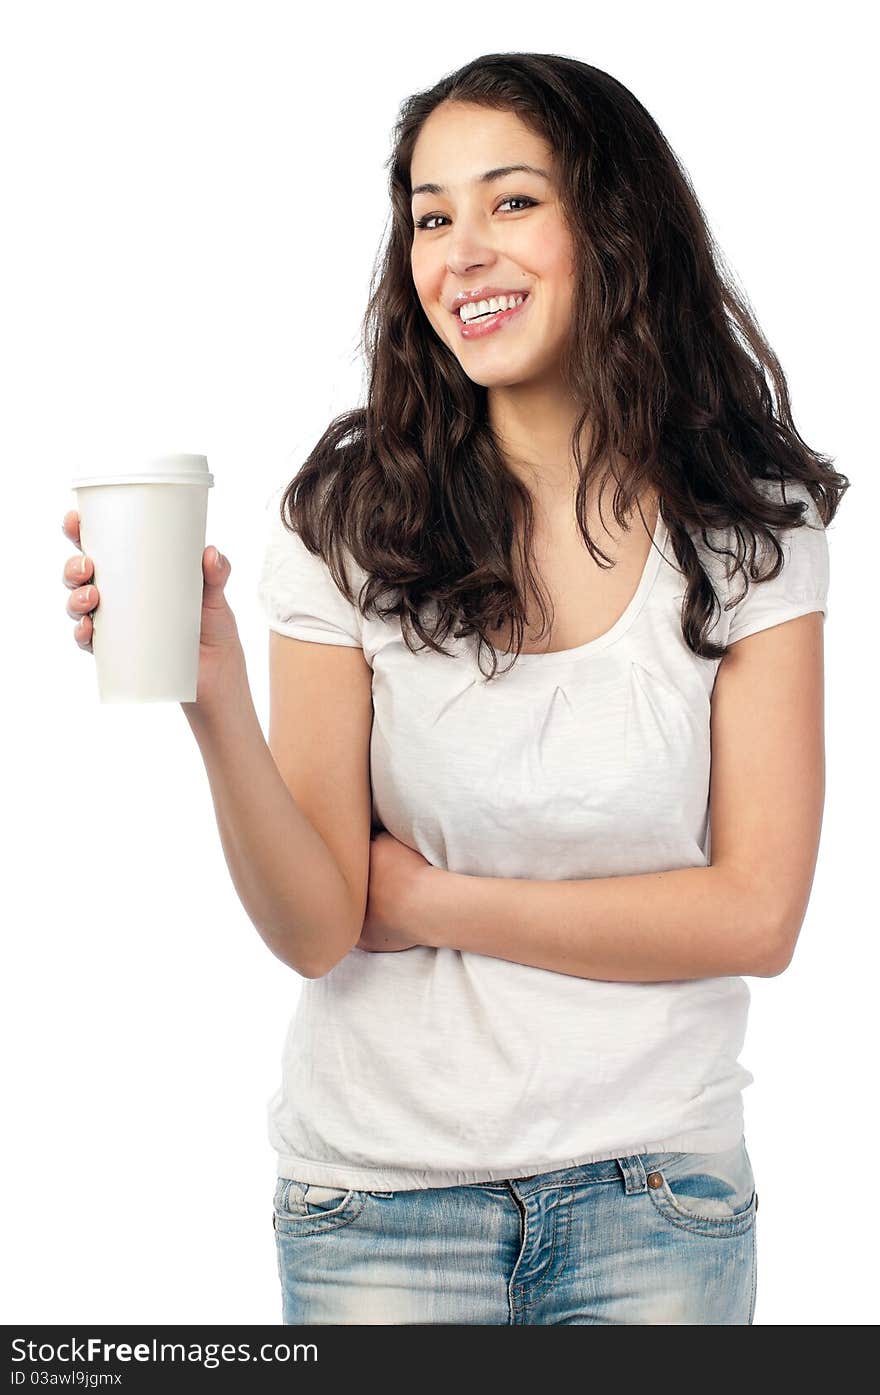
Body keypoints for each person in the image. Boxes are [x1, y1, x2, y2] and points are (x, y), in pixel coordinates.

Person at [61, 53, 849, 1325]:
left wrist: (429, 896)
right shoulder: (346, 522)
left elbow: (756, 914)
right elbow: (320, 924)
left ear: (616, 221)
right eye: (431, 217)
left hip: (657, 1194)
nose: (461, 252)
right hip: (377, 1203)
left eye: (512, 202)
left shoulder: (750, 526)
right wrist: (215, 696)